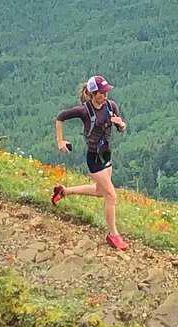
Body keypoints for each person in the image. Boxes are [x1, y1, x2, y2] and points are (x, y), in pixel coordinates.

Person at [51, 74, 129, 251]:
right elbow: (60, 117)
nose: (105, 95)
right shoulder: (84, 110)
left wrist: (121, 124)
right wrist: (60, 141)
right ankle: (113, 235)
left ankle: (63, 191)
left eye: (106, 91)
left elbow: (121, 127)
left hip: (107, 154)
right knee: (111, 196)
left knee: (100, 192)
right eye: (102, 92)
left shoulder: (111, 106)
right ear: (94, 93)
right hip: (94, 158)